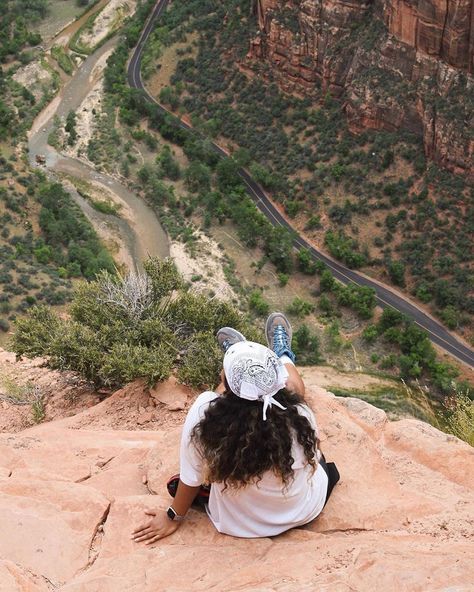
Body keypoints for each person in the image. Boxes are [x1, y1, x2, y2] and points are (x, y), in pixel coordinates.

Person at [132, 312, 339, 543]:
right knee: (294, 391)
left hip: (237, 522)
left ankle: (242, 359)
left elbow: (191, 478)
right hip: (301, 511)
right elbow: (311, 458)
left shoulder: (204, 414)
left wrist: (173, 517)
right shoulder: (301, 415)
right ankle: (281, 355)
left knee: (221, 405)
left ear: (226, 383)